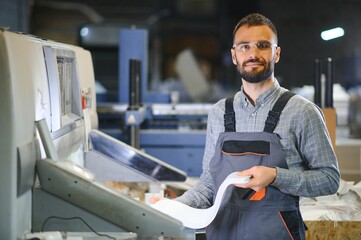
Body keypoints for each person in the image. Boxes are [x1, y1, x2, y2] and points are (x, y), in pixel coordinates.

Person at [152, 13, 340, 240]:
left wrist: (275, 176)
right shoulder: (219, 113)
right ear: (234, 56)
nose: (253, 54)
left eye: (262, 46)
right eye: (244, 47)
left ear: (276, 53)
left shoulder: (303, 111)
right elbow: (209, 185)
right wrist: (171, 207)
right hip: (223, 234)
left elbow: (329, 179)